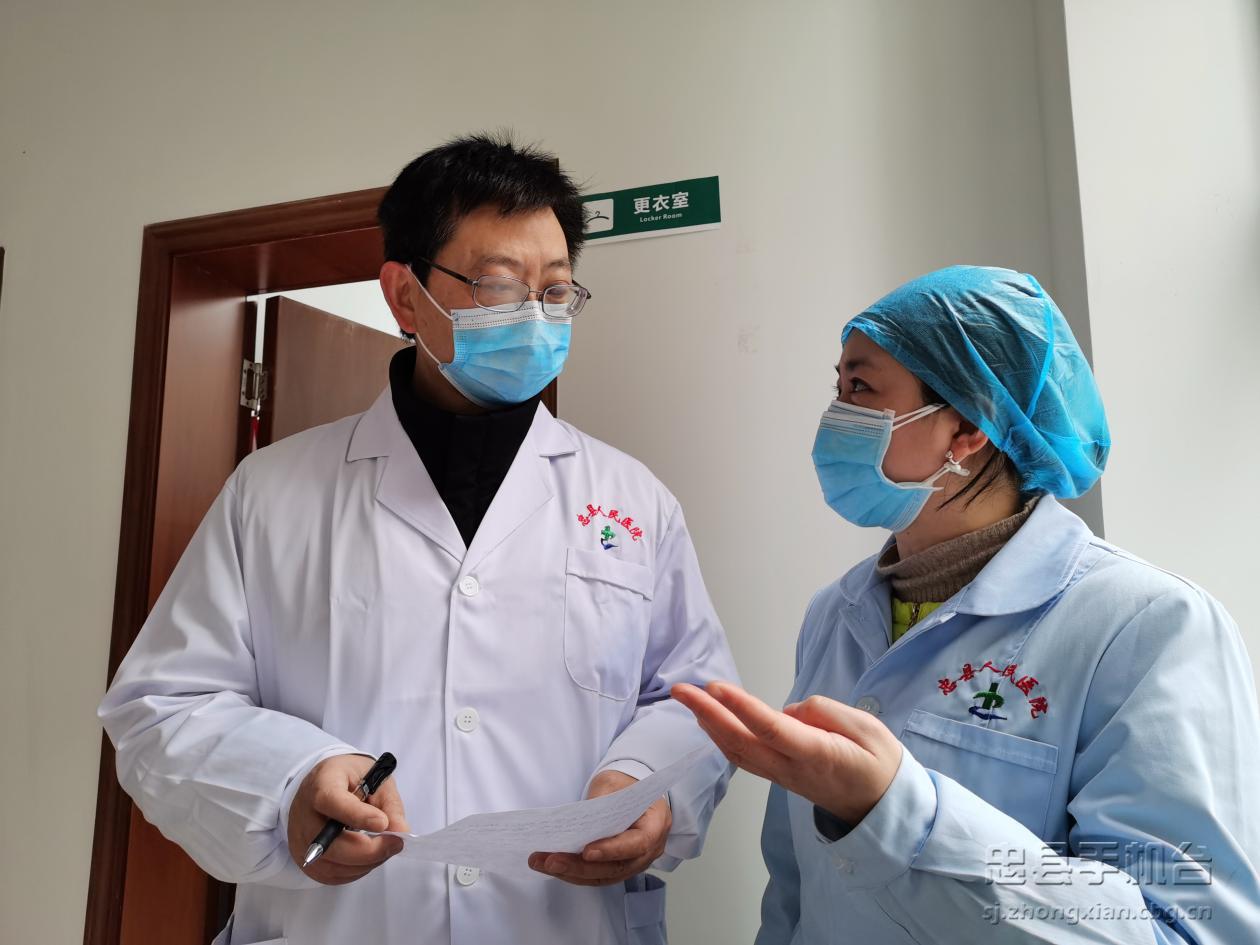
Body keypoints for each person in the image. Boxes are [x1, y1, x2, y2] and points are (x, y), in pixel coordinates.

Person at [100, 133, 737, 945]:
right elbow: (162, 709)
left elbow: (696, 697)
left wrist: (646, 785)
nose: (534, 316)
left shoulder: (633, 500)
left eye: (555, 290)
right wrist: (289, 783)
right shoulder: (270, 493)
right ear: (405, 296)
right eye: (499, 284)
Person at [674, 265, 1260, 944]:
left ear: (968, 428)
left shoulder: (1149, 626)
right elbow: (795, 887)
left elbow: (1181, 926)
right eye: (837, 389)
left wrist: (899, 817)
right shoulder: (835, 612)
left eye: (861, 388)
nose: (836, 416)